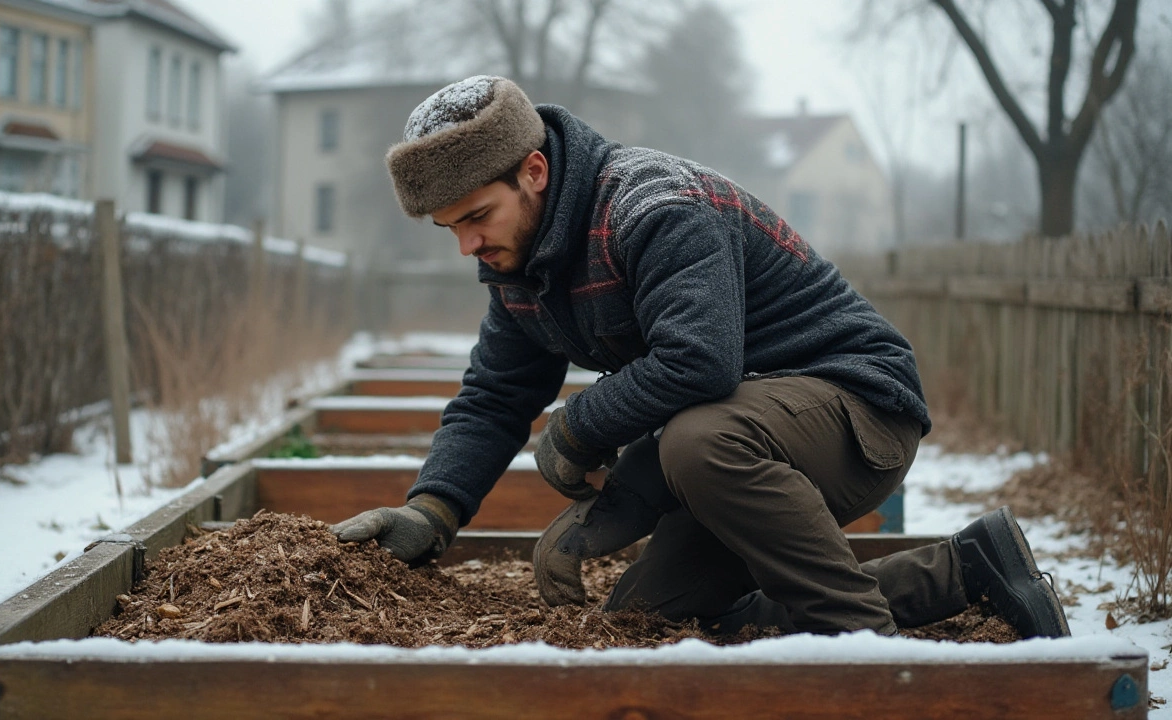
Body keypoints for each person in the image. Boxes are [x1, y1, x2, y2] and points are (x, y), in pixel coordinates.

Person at [331, 75, 1069, 639]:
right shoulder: (523, 268)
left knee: (701, 439)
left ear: (534, 171)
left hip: (854, 411)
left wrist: (578, 427)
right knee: (652, 620)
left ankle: (865, 649)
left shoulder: (656, 207)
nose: (467, 246)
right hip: (743, 440)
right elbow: (494, 397)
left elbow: (700, 364)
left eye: (476, 218)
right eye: (448, 229)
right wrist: (432, 511)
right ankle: (970, 570)